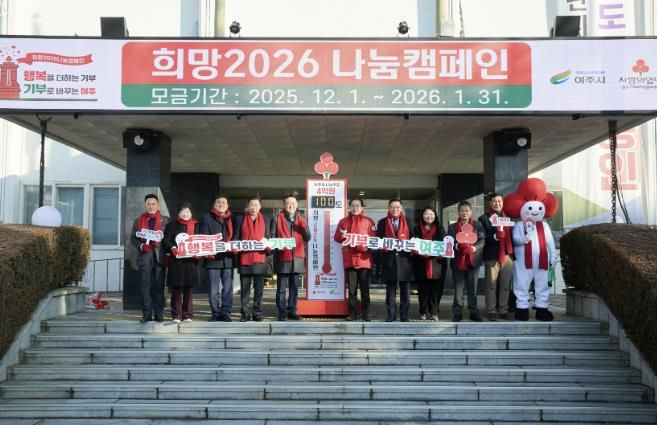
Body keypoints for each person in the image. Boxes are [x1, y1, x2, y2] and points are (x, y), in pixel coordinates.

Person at [334, 198, 376, 321]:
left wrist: (363, 246)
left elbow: (373, 239)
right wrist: (343, 235)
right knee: (352, 289)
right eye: (353, 205)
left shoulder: (369, 221)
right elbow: (336, 237)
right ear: (349, 207)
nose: (355, 208)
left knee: (364, 289)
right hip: (349, 260)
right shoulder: (343, 222)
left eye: (358, 205)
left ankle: (366, 313)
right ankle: (352, 313)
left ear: (362, 208)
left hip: (364, 260)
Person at [130, 194, 169, 323]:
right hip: (144, 258)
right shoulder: (138, 220)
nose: (151, 206)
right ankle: (146, 313)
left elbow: (169, 238)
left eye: (153, 204)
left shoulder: (165, 220)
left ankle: (159, 313)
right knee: (145, 287)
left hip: (160, 258)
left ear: (158, 205)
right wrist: (141, 245)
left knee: (159, 287)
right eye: (148, 204)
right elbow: (133, 238)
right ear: (145, 205)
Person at [235, 197, 274, 322]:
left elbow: (269, 236)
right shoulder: (240, 218)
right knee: (244, 289)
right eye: (251, 205)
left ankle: (257, 313)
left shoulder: (266, 219)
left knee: (259, 289)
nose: (253, 207)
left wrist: (269, 246)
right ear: (248, 206)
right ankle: (245, 313)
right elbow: (236, 236)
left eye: (256, 205)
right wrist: (235, 246)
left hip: (260, 258)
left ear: (260, 207)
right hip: (245, 258)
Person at [199, 194, 236, 322]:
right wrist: (208, 251)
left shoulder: (232, 218)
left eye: (224, 203)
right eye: (218, 202)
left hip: (228, 258)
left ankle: (225, 312)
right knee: (213, 289)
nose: (221, 204)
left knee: (228, 288)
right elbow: (203, 236)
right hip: (212, 258)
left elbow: (236, 235)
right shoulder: (206, 217)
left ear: (228, 205)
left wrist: (234, 245)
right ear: (214, 204)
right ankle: (215, 313)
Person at [478, 193, 515, 321]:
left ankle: (503, 310)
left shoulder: (508, 218)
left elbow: (513, 236)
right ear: (490, 203)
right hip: (492, 256)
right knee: (491, 285)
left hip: (507, 255)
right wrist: (495, 236)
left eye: (499, 201)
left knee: (505, 285)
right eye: (494, 201)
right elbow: (481, 237)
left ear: (502, 203)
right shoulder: (484, 218)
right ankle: (491, 310)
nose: (497, 203)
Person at [274, 195, 311, 321]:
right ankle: (282, 312)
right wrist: (280, 246)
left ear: (297, 205)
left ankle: (292, 311)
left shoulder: (301, 219)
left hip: (297, 258)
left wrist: (303, 226)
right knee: (281, 288)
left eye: (293, 203)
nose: (291, 206)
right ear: (284, 205)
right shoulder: (278, 218)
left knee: (294, 288)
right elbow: (272, 238)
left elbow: (308, 238)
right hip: (282, 257)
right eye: (288, 203)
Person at [377, 199, 415, 322]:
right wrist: (382, 247)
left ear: (401, 208)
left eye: (397, 207)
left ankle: (404, 315)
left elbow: (414, 238)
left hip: (405, 259)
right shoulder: (382, 222)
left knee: (405, 290)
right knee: (390, 289)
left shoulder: (408, 222)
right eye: (392, 207)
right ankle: (391, 315)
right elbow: (378, 239)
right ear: (388, 208)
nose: (395, 209)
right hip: (389, 259)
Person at [162, 202, 200, 323]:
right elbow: (165, 241)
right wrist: (172, 247)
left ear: (191, 213)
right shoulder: (171, 226)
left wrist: (198, 251)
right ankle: (176, 315)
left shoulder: (197, 226)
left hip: (191, 261)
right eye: (182, 211)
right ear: (178, 213)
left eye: (187, 211)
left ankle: (187, 315)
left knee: (188, 289)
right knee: (176, 289)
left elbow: (201, 241)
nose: (185, 214)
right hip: (176, 261)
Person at [448, 201, 484, 322]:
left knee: (472, 288)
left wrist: (473, 248)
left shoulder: (477, 225)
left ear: (471, 212)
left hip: (473, 260)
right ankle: (457, 312)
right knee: (458, 289)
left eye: (466, 211)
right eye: (462, 211)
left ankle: (473, 312)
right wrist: (458, 246)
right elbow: (450, 242)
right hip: (458, 261)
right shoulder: (452, 227)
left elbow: (482, 240)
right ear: (458, 212)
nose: (464, 213)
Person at [412, 206, 448, 321]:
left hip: (437, 262)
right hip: (421, 262)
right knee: (423, 289)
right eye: (426, 214)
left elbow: (445, 244)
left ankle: (434, 312)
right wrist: (417, 250)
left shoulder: (440, 228)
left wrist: (441, 252)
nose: (429, 216)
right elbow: (413, 243)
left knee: (436, 289)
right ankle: (423, 311)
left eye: (431, 214)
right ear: (422, 216)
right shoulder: (416, 229)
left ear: (435, 216)